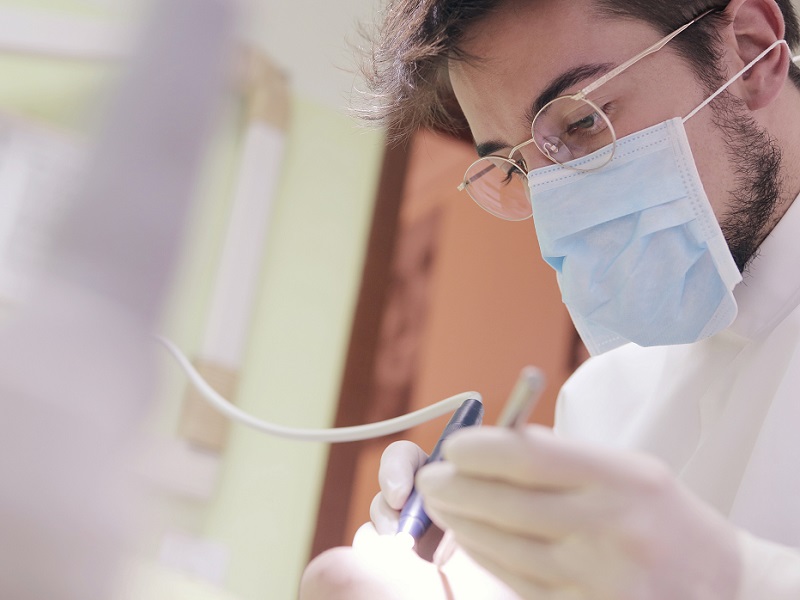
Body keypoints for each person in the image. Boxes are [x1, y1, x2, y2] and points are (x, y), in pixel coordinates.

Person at [300, 0, 800, 597]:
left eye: (583, 121)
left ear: (749, 50)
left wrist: (735, 580)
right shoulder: (606, 399)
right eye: (517, 169)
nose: (560, 212)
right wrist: (458, 582)